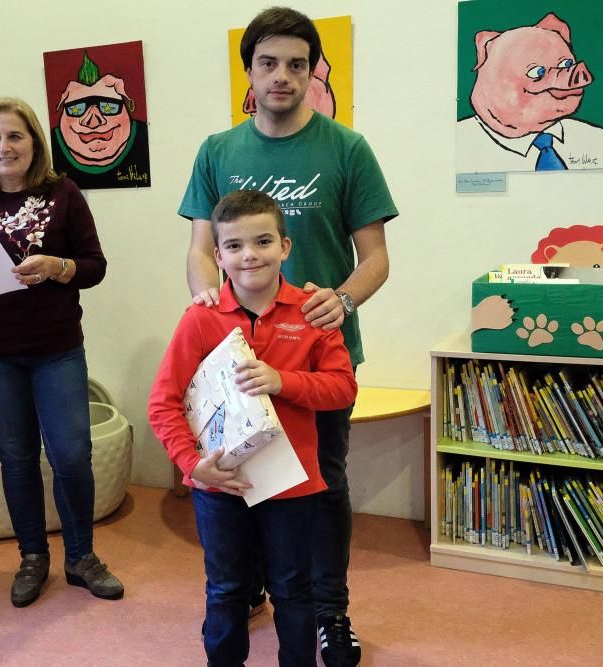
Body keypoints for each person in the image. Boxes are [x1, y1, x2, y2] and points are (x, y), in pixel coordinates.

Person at [179, 7, 399, 666]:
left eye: (297, 65)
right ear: (248, 71)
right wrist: (204, 299)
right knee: (238, 479)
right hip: (235, 363)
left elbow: (376, 256)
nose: (282, 77)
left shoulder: (347, 149)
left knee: (321, 487)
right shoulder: (218, 151)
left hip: (316, 358)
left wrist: (344, 298)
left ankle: (331, 613)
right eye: (269, 63)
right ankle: (245, 589)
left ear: (313, 71)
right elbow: (199, 249)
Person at [149, 190, 357, 666]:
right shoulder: (201, 318)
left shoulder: (312, 312)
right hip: (220, 485)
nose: (250, 256)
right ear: (217, 255)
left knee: (293, 590)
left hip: (293, 486)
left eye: (263, 242)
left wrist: (284, 381)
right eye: (235, 246)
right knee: (225, 590)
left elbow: (342, 388)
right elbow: (163, 403)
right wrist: (192, 464)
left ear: (285, 247)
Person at [0, 97, 123, 607]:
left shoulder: (64, 193)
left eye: (15, 136)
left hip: (56, 348)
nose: (3, 147)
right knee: (16, 458)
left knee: (72, 456)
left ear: (34, 141)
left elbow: (95, 265)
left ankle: (81, 557)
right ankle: (32, 556)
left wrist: (58, 267)